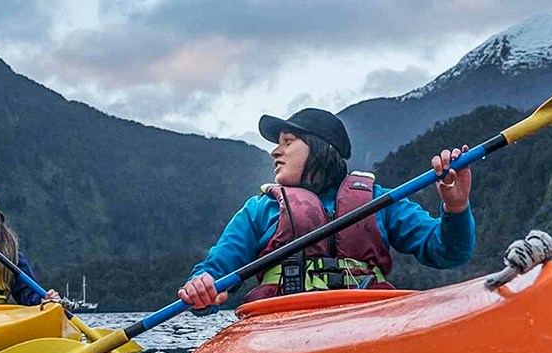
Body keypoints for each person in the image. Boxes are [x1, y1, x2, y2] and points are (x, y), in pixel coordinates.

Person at [179, 107, 475, 309]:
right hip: (280, 325)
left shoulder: (379, 201)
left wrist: (456, 206)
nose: (275, 151)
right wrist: (201, 287)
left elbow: (448, 253)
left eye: (287, 141)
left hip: (367, 320)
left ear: (319, 148)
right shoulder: (260, 210)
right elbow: (214, 272)